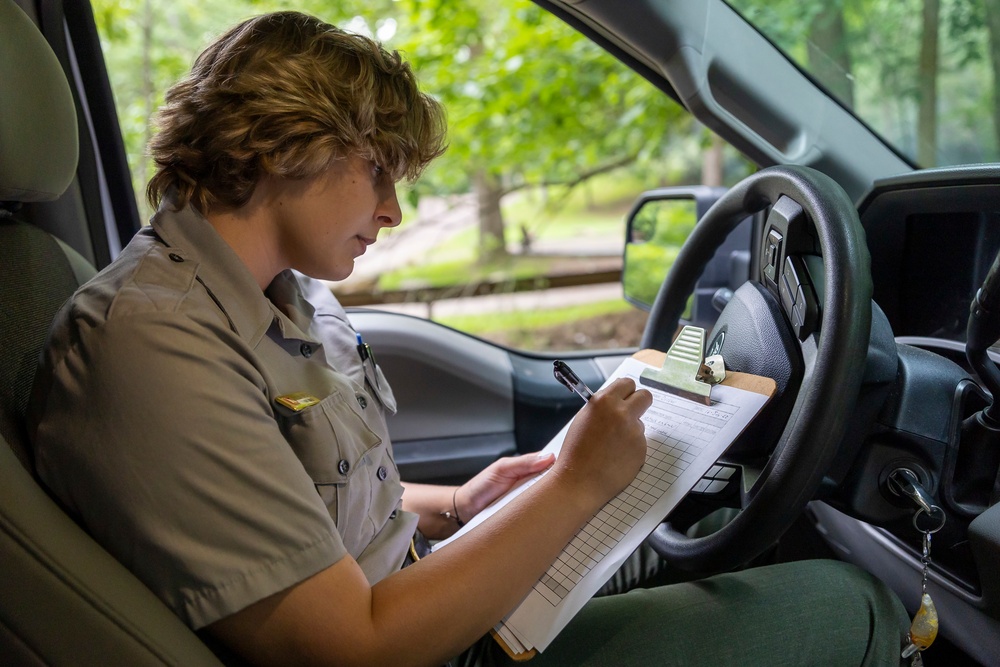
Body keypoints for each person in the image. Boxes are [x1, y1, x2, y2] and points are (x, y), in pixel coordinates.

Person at [28, 10, 909, 666]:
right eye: (379, 170)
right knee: (853, 598)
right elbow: (354, 646)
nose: (393, 209)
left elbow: (303, 509)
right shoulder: (151, 345)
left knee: (721, 517)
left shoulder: (278, 294)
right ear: (283, 141)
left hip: (430, 594)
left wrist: (458, 503)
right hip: (426, 647)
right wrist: (572, 485)